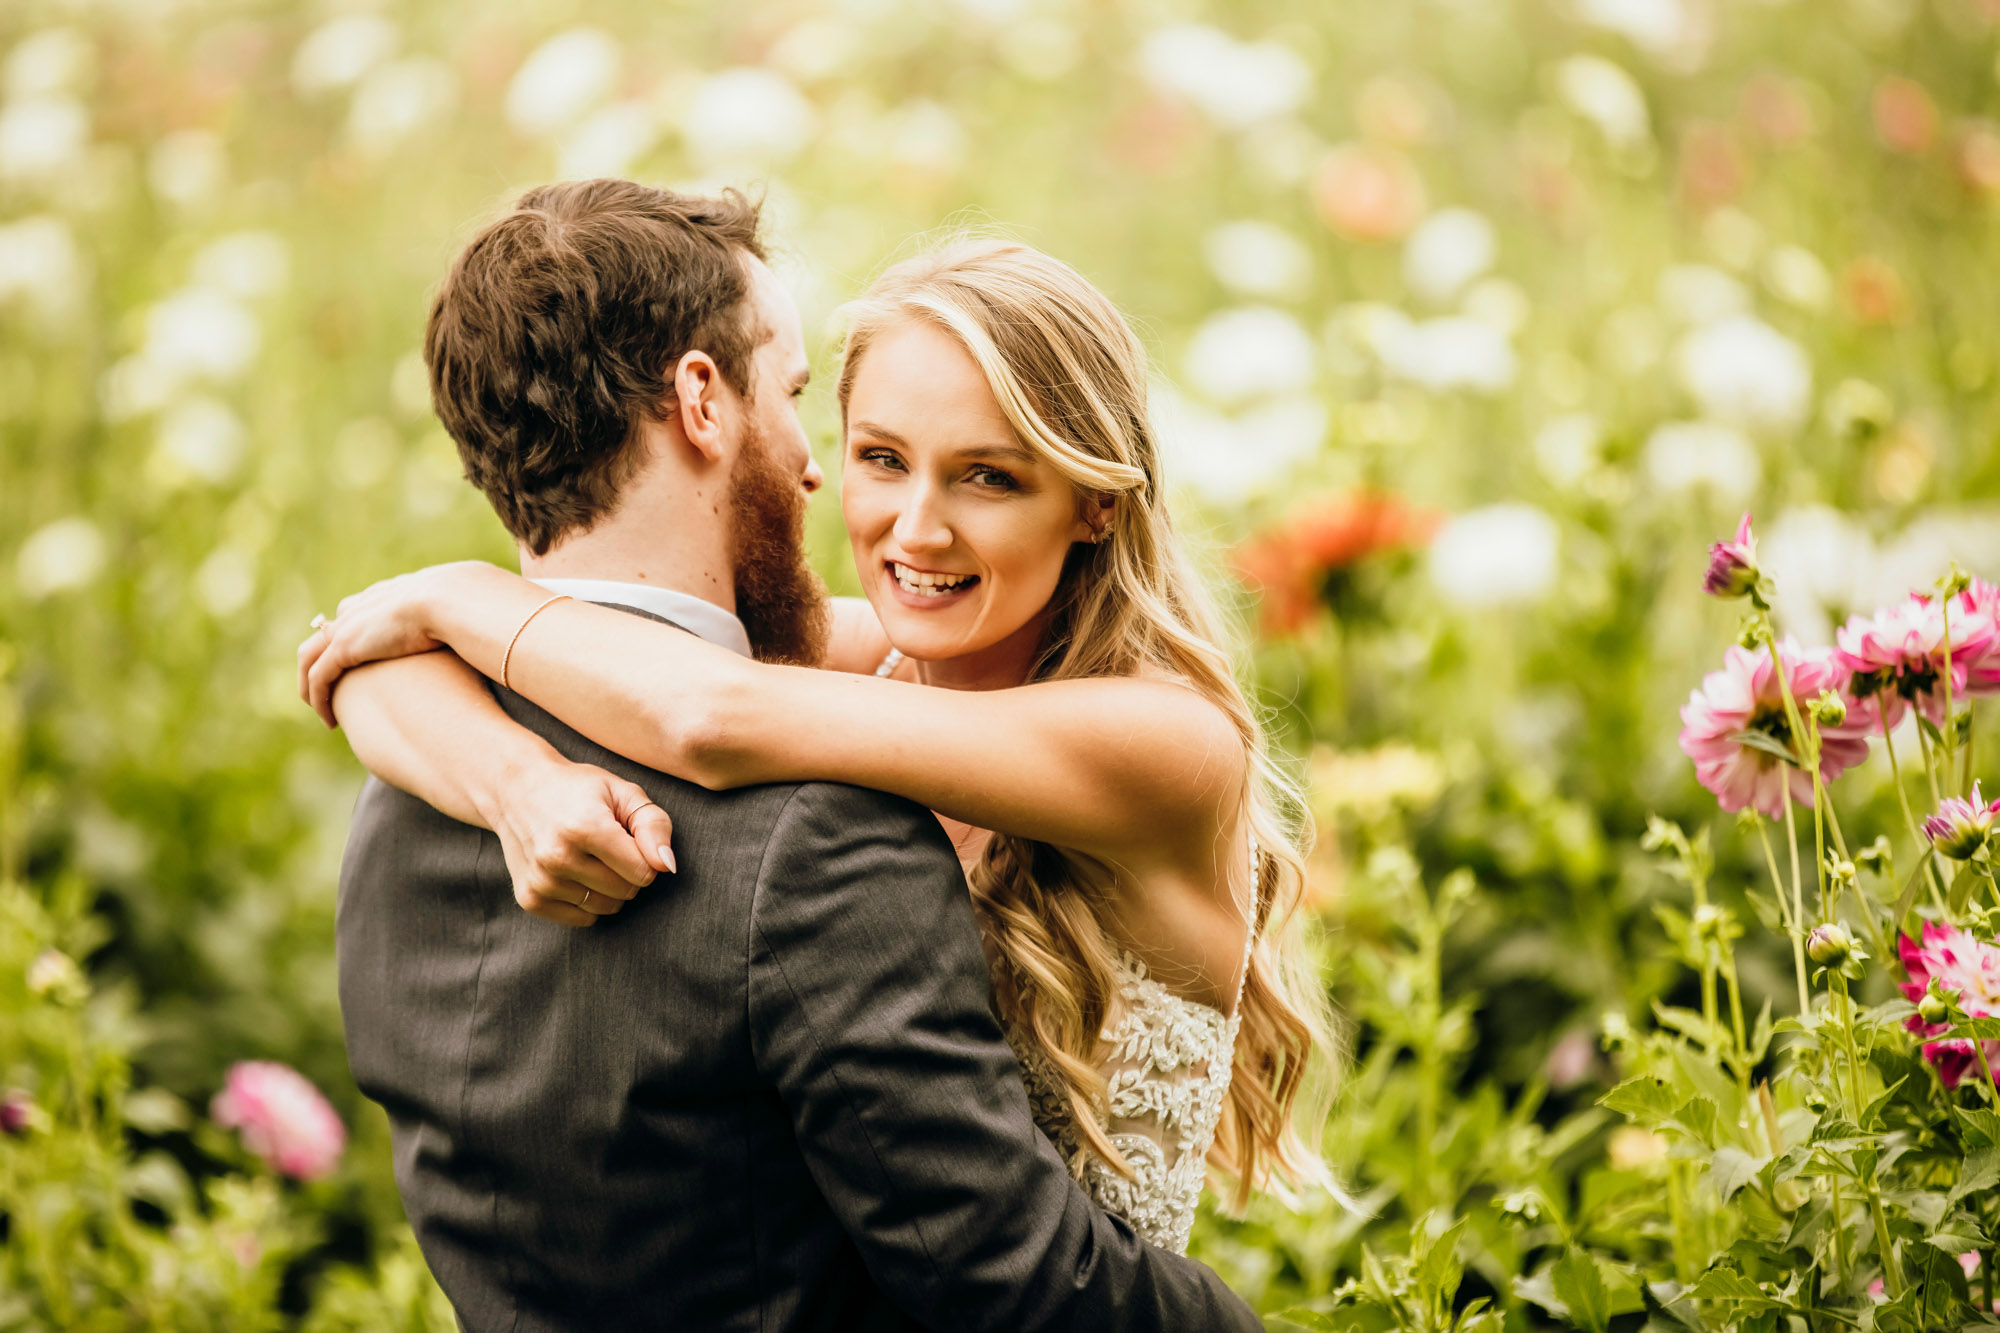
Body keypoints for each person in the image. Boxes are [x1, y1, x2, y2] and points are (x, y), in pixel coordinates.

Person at [318, 179, 1262, 1332]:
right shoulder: (865, 660)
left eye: (989, 474)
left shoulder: (1161, 740)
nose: (914, 529)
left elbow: (708, 715)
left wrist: (462, 590)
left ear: (1095, 502)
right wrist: (515, 777)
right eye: (875, 455)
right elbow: (376, 671)